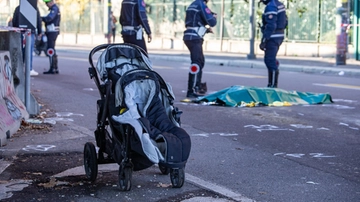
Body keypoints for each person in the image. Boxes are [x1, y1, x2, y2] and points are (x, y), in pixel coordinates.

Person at [183, 0, 217, 98]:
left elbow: (194, 22)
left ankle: (197, 85)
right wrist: (214, 17)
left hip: (190, 36)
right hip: (194, 38)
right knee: (196, 62)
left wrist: (205, 30)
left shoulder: (193, 4)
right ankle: (191, 90)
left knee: (200, 61)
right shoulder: (201, 4)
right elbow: (211, 22)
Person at [259, 0, 287, 88]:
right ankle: (271, 84)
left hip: (273, 37)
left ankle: (273, 86)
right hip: (279, 35)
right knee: (271, 59)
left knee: (269, 60)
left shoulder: (271, 6)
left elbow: (271, 25)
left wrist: (265, 39)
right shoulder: (279, 4)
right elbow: (285, 21)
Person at [12, 5, 42, 76]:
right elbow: (38, 20)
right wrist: (40, 31)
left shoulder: (18, 7)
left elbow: (14, 19)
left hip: (20, 32)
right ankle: (29, 69)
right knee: (29, 50)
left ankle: (20, 68)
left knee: (20, 50)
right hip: (30, 31)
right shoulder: (34, 7)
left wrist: (15, 29)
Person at [42, 0, 61, 74]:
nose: (46, 5)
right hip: (53, 31)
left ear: (50, 2)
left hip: (52, 31)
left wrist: (41, 18)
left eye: (47, 3)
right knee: (52, 49)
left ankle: (53, 68)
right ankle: (54, 67)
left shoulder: (54, 9)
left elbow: (49, 18)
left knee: (50, 49)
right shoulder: (55, 8)